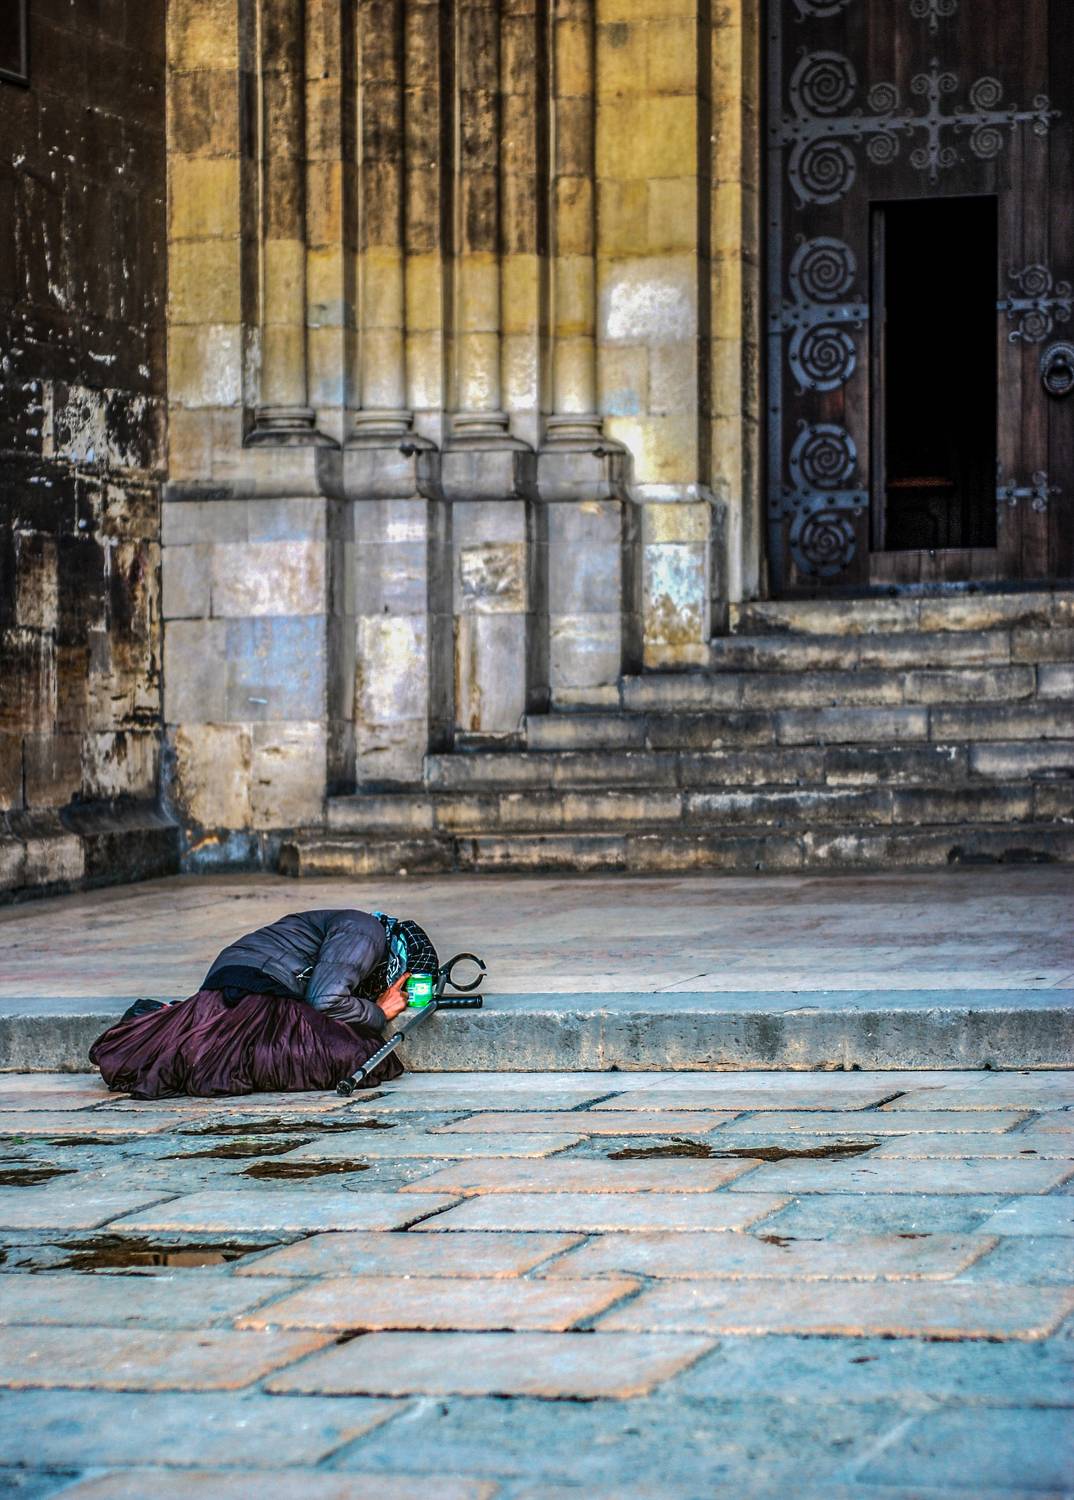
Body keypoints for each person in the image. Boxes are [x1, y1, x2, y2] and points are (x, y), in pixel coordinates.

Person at [89, 909, 438, 1100]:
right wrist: (378, 1011)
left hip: (228, 982)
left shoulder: (344, 926)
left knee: (215, 1047)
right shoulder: (367, 931)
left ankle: (167, 1019)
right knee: (359, 1053)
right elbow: (326, 1000)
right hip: (261, 989)